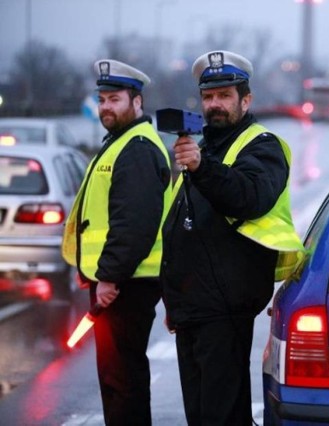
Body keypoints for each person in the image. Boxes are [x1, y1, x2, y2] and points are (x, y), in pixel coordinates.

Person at [161, 50, 303, 425]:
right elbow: (181, 226)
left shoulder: (262, 144)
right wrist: (176, 303)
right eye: (208, 97)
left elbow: (249, 198)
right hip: (194, 307)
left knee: (223, 416)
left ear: (246, 99)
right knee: (202, 414)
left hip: (226, 306)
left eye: (224, 96)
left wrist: (201, 167)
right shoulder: (204, 147)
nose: (215, 105)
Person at [61, 59, 172, 425]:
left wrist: (109, 276)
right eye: (103, 99)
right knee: (117, 378)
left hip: (126, 284)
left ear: (136, 102)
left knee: (122, 380)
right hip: (119, 280)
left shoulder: (137, 148)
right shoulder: (122, 142)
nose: (106, 106)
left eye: (115, 99)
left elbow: (134, 223)